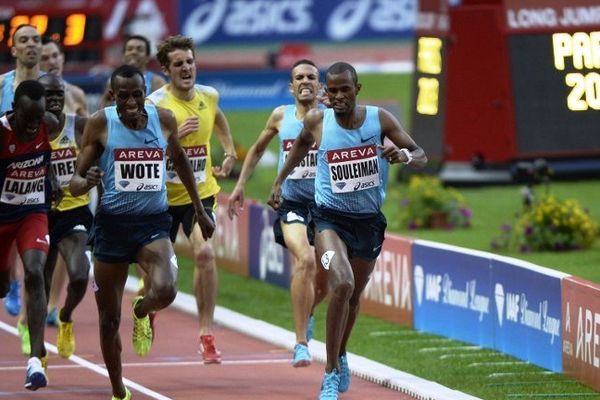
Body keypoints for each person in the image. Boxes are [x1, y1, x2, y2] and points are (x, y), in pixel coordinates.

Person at [268, 62, 427, 400]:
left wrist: (401, 155)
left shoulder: (379, 119)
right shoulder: (317, 121)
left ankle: (340, 352)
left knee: (353, 298)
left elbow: (421, 154)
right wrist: (279, 181)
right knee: (341, 282)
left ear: (358, 89)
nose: (338, 96)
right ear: (326, 92)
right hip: (329, 219)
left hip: (368, 221)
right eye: (333, 90)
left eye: (344, 89)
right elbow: (298, 148)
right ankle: (329, 372)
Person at [69, 64, 215, 400]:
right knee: (107, 318)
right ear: (113, 96)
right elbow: (75, 182)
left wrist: (200, 209)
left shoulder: (163, 120)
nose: (132, 102)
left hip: (152, 225)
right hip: (112, 228)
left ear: (145, 93)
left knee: (165, 291)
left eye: (137, 94)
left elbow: (180, 162)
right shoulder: (101, 123)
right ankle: (119, 390)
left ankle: (142, 309)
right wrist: (86, 182)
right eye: (124, 96)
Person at [227, 59, 326, 367]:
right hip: (292, 205)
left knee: (328, 280)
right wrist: (240, 185)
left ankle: (308, 310)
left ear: (320, 85)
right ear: (291, 86)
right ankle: (300, 343)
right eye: (300, 77)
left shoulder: (330, 118)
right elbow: (256, 149)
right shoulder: (280, 115)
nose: (306, 80)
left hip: (326, 208)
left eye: (311, 76)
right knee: (305, 259)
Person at [147, 35, 237, 364]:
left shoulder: (209, 96)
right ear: (166, 70)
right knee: (158, 281)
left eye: (190, 61)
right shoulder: (154, 104)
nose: (186, 68)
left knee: (205, 253)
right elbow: (142, 151)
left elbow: (218, 117)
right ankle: (149, 307)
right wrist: (174, 138)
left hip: (201, 194)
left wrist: (228, 151)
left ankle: (206, 335)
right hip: (161, 199)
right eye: (178, 64)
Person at [0, 80, 61, 390]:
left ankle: (36, 360)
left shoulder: (46, 124)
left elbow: (44, 158)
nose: (32, 125)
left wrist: (53, 182)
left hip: (32, 213)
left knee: (35, 272)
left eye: (38, 118)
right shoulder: (1, 132)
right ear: (14, 110)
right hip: (1, 218)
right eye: (27, 118)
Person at [39, 73, 91, 358]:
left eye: (59, 93)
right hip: (39, 213)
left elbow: (99, 158)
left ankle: (66, 316)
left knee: (80, 276)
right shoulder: (28, 130)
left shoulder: (78, 126)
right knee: (39, 280)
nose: (56, 99)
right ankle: (38, 352)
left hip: (74, 211)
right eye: (49, 94)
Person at [0, 24, 43, 319]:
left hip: (36, 178)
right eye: (24, 40)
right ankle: (11, 280)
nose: (30, 45)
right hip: (4, 177)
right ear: (14, 49)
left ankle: (37, 316)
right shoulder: (1, 86)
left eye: (35, 40)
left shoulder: (51, 87)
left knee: (38, 260)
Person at [99, 35, 166, 108]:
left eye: (139, 49)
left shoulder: (157, 82)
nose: (134, 52)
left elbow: (163, 111)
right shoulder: (112, 81)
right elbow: (103, 110)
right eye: (130, 49)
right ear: (123, 56)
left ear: (147, 57)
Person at [40, 36, 88, 117]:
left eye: (55, 56)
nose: (52, 62)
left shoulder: (76, 94)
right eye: (45, 58)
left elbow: (88, 128)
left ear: (62, 57)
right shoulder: (33, 95)